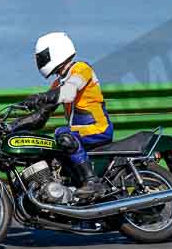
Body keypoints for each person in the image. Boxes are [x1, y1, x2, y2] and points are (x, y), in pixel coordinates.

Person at [10, 32, 113, 199]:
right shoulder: (59, 82)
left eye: (42, 57)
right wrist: (11, 126)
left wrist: (42, 96)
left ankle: (92, 182)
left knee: (63, 134)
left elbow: (70, 91)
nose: (40, 61)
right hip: (79, 131)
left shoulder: (81, 69)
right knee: (49, 145)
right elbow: (40, 117)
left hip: (98, 128)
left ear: (56, 51)